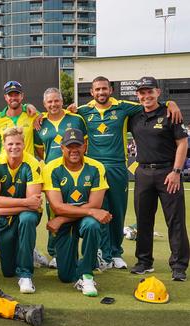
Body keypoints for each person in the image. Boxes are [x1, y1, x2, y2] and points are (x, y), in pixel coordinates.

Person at [70, 76, 182, 269]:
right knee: (98, 211)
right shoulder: (83, 111)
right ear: (91, 92)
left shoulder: (124, 107)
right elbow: (59, 114)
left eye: (104, 89)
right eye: (97, 90)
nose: (101, 92)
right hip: (94, 169)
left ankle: (115, 252)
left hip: (117, 168)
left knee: (117, 211)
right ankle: (102, 253)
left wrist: (171, 103)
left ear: (110, 90)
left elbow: (151, 104)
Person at [129, 76, 189, 281]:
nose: (146, 95)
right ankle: (144, 262)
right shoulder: (134, 116)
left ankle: (179, 265)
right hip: (143, 172)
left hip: (168, 173)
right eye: (142, 92)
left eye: (150, 91)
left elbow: (182, 143)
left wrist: (176, 171)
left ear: (158, 92)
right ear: (137, 95)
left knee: (175, 220)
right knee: (143, 220)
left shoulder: (170, 113)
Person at [42, 128, 112, 296]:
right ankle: (92, 258)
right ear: (62, 148)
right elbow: (57, 207)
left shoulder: (96, 167)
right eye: (69, 146)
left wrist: (61, 219)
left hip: (79, 220)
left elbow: (95, 203)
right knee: (66, 276)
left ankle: (87, 274)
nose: (74, 150)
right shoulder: (51, 168)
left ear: (85, 146)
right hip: (69, 220)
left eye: (78, 146)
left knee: (92, 225)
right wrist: (90, 212)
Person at [34, 87, 87, 268]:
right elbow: (40, 150)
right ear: (44, 104)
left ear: (62, 101)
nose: (53, 104)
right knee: (54, 212)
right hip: (52, 175)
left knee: (77, 208)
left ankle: (83, 252)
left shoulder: (76, 118)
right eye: (49, 102)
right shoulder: (39, 123)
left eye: (56, 100)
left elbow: (85, 144)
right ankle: (55, 252)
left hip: (75, 172)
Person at [0, 127, 42, 294]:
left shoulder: (32, 163)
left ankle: (25, 274)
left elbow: (35, 205)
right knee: (8, 271)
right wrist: (1, 211)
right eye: (10, 144)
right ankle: (26, 252)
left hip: (27, 214)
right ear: (3, 145)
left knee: (27, 219)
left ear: (24, 144)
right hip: (6, 215)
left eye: (18, 143)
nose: (14, 147)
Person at [0, 81, 40, 157]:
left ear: (22, 96)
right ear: (5, 97)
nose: (13, 98)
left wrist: (31, 108)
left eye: (16, 94)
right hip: (5, 166)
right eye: (10, 95)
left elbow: (47, 115)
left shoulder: (32, 114)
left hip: (27, 166)